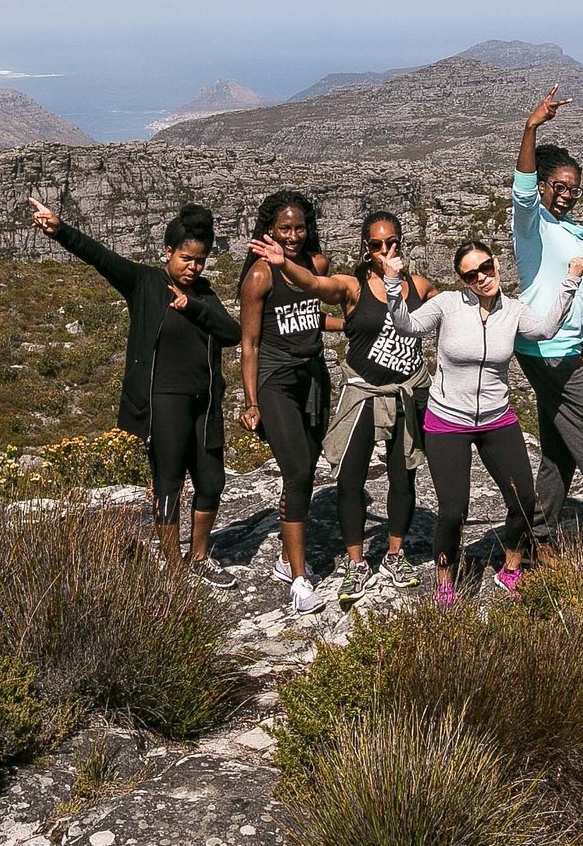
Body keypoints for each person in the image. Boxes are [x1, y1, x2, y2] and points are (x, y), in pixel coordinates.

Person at [29, 195, 242, 588]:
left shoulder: (205, 295)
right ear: (168, 252)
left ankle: (200, 557)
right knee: (169, 483)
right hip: (164, 402)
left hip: (205, 404)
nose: (193, 268)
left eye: (200, 260)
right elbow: (100, 256)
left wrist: (192, 307)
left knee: (212, 481)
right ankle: (174, 568)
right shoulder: (145, 283)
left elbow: (231, 333)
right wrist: (60, 230)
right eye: (186, 259)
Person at [385, 236, 583, 605]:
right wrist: (391, 284)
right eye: (471, 275)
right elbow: (406, 326)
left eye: (486, 268)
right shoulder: (446, 305)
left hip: (497, 418)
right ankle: (445, 581)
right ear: (462, 281)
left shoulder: (512, 310)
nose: (481, 278)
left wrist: (571, 281)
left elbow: (544, 330)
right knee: (453, 511)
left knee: (523, 499)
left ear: (495, 263)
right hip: (448, 421)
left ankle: (509, 570)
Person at [247, 211, 436, 600]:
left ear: (401, 243)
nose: (386, 250)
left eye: (392, 242)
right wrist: (285, 266)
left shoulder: (419, 286)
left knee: (404, 476)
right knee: (349, 479)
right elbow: (316, 283)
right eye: (376, 244)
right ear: (365, 249)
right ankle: (355, 563)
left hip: (404, 392)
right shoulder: (353, 287)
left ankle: (395, 555)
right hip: (364, 393)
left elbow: (455, 312)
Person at [513, 88, 583, 543]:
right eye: (557, 187)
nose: (565, 195)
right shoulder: (532, 223)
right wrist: (531, 126)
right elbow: (521, 190)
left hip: (569, 348)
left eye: (572, 190)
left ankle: (530, 541)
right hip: (546, 350)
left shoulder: (572, 230)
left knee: (558, 454)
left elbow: (581, 295)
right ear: (542, 185)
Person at [238, 190, 335, 615]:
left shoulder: (317, 266)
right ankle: (298, 579)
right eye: (284, 228)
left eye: (299, 228)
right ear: (269, 231)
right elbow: (250, 342)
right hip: (276, 382)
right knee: (296, 470)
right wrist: (251, 400)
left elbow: (312, 314)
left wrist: (355, 322)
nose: (293, 235)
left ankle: (283, 555)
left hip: (314, 378)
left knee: (308, 468)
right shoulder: (260, 276)